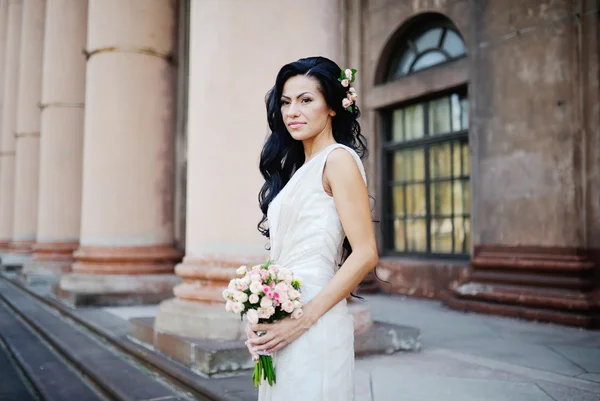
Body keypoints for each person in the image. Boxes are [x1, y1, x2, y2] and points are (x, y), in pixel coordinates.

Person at [246, 56, 378, 401]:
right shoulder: (293, 174)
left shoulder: (338, 160)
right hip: (282, 316)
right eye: (286, 102)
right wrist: (261, 312)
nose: (292, 111)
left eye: (306, 100)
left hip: (315, 318)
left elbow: (365, 253)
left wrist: (302, 321)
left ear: (332, 106)